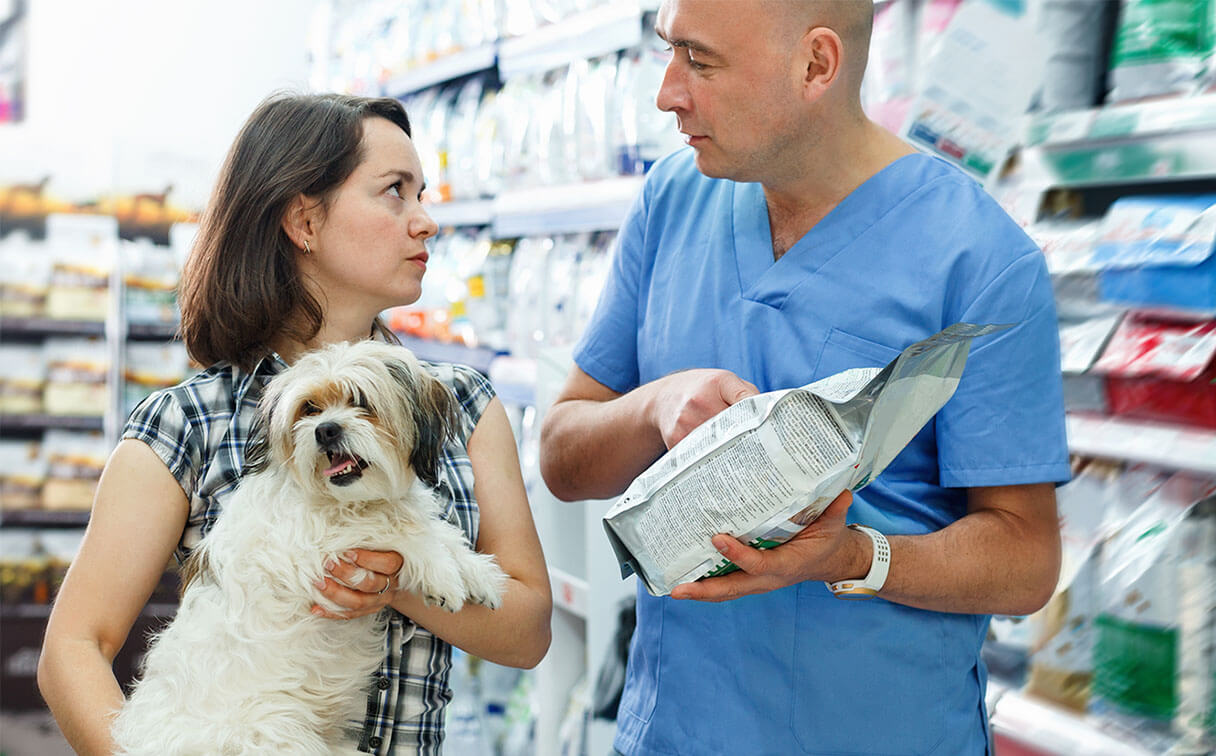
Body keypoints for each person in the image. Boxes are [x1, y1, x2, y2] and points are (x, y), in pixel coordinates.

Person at [539, 1, 1068, 754]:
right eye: (669, 52)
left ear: (817, 65)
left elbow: (1025, 563)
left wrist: (855, 557)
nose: (667, 93)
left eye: (700, 60)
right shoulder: (673, 201)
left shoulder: (978, 257)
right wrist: (651, 409)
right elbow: (560, 457)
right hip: (677, 731)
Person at [38, 93, 552, 755]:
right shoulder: (188, 421)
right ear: (304, 221)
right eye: (395, 192)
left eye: (423, 194)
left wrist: (397, 581)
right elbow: (73, 648)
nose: (425, 221)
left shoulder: (461, 405)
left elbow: (529, 630)